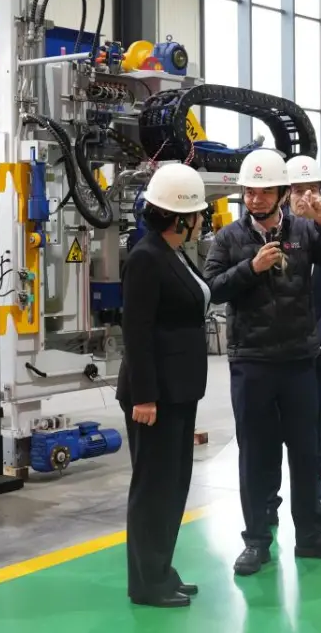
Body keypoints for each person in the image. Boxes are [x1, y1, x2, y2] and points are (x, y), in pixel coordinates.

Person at [203, 149, 321, 576]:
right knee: (256, 455)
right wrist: (251, 268)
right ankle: (256, 542)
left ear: (280, 193)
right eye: (249, 192)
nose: (255, 199)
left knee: (307, 453)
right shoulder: (229, 238)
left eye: (264, 192)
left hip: (297, 361)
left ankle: (311, 536)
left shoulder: (304, 231)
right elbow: (213, 289)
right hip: (251, 361)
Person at [117, 163, 212, 608]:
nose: (202, 219)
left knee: (173, 486)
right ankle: (146, 583)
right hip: (155, 396)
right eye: (198, 214)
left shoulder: (173, 253)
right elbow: (136, 330)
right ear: (180, 217)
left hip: (180, 390)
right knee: (153, 489)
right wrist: (145, 396)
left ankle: (161, 570)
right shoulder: (146, 257)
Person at [264, 155, 321, 532]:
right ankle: (268, 505)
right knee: (270, 435)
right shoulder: (271, 233)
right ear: (285, 194)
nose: (305, 196)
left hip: (320, 354)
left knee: (314, 435)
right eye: (298, 189)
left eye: (312, 188)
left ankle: (313, 503)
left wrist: (318, 339)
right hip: (278, 354)